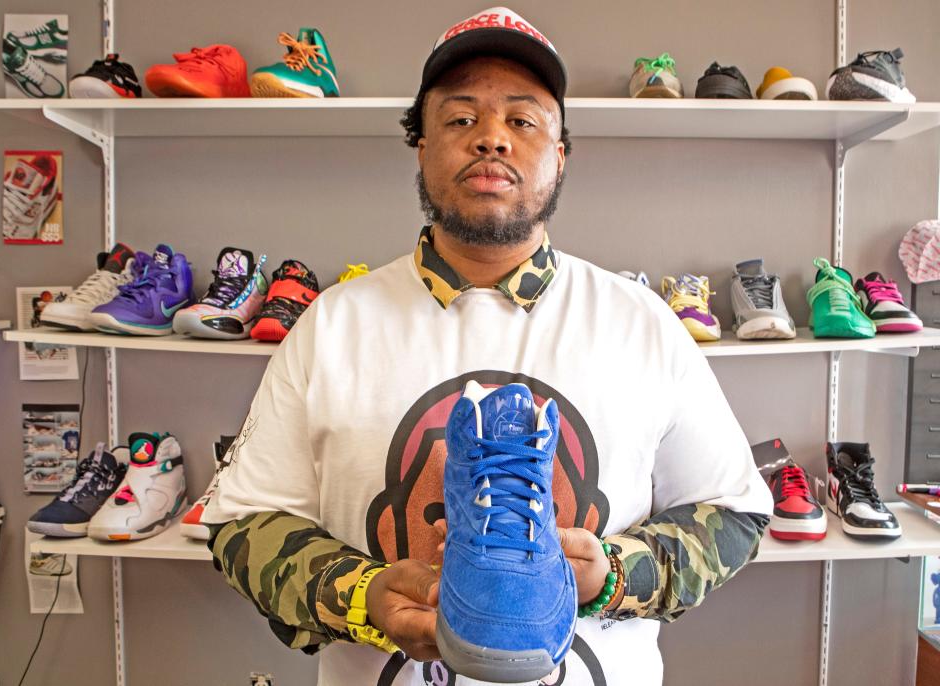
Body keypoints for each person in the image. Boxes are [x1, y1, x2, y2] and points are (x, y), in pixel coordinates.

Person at [203, 7, 773, 685]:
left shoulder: (641, 322)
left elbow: (736, 513)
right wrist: (361, 596)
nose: (491, 140)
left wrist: (614, 574)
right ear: (421, 146)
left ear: (559, 156)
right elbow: (240, 524)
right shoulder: (332, 325)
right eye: (460, 118)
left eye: (522, 121)